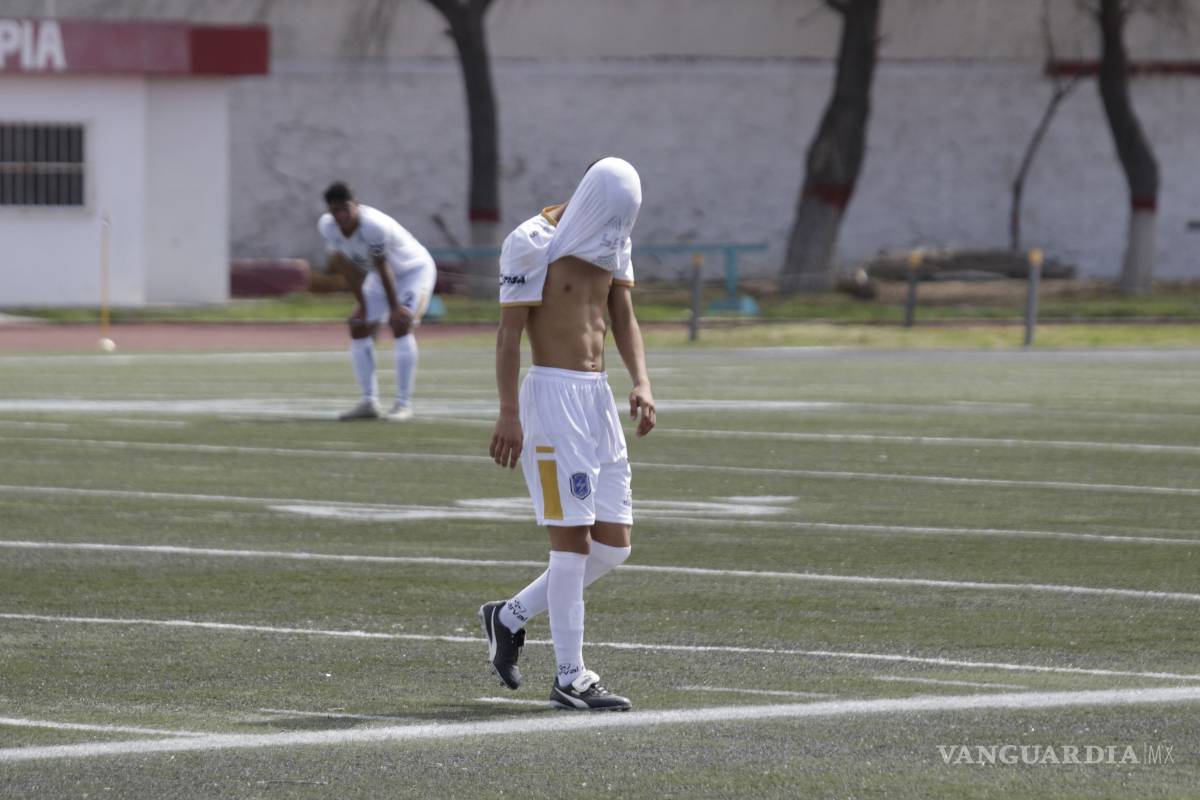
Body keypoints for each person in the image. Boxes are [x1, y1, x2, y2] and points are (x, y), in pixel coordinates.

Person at [479, 157, 656, 711]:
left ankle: (506, 618)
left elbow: (621, 316)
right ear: (588, 195)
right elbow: (508, 336)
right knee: (572, 543)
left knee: (613, 547)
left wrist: (642, 382)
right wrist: (509, 412)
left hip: (598, 398)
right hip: (551, 401)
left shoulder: (612, 238)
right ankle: (570, 677)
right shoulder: (530, 242)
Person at [318, 182, 438, 421]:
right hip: (379, 277)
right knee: (358, 326)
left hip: (413, 272)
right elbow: (347, 269)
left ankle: (403, 404)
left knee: (401, 324)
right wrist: (362, 305)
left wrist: (394, 309)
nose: (341, 215)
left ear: (356, 205)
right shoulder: (328, 227)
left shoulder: (373, 225)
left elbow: (384, 268)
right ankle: (369, 401)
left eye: (345, 208)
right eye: (335, 210)